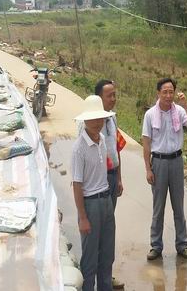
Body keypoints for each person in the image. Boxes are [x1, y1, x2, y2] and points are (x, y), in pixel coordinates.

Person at [141, 77, 187, 261]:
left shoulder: (179, 111)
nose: (168, 95)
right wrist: (148, 169)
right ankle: (155, 246)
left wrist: (186, 105)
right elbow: (146, 143)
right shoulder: (150, 114)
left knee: (178, 206)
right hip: (158, 162)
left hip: (176, 161)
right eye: (164, 92)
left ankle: (182, 244)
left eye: (171, 92)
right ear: (158, 93)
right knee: (158, 207)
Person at [71, 95, 117, 291]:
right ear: (85, 121)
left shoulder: (103, 139)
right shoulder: (79, 149)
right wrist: (82, 217)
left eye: (100, 119)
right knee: (90, 258)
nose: (98, 123)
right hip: (90, 205)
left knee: (107, 255)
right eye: (93, 119)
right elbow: (77, 184)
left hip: (106, 200)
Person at [95, 79, 125, 290]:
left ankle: (106, 275)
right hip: (99, 181)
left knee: (108, 229)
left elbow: (116, 149)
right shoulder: (90, 122)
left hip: (113, 177)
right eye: (109, 96)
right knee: (97, 230)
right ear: (99, 98)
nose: (113, 99)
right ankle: (97, 277)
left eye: (115, 95)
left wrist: (120, 178)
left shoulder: (112, 118)